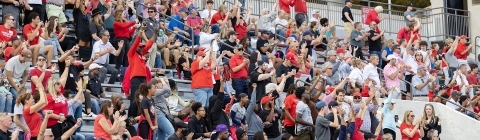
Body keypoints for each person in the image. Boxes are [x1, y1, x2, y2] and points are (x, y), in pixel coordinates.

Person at [127, 26, 157, 103]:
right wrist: (141, 30)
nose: (141, 48)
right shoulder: (131, 54)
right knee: (135, 97)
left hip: (143, 78)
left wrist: (155, 33)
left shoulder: (142, 54)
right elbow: (136, 42)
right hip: (135, 78)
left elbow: (150, 44)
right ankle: (133, 113)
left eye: (142, 47)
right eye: (139, 47)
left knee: (142, 96)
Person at [43, 60, 70, 138]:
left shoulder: (59, 93)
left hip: (62, 123)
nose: (60, 85)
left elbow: (64, 78)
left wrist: (67, 66)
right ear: (53, 85)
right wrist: (59, 117)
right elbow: (46, 112)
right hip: (53, 126)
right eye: (58, 84)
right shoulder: (48, 96)